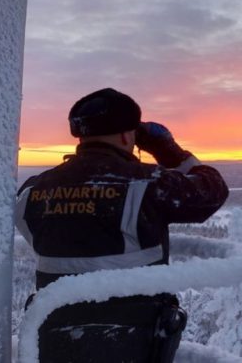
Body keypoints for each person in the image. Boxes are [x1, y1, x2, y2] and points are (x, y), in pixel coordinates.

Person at [14, 87, 229, 362]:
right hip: (135, 339)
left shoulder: (33, 190)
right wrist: (172, 154)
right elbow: (213, 190)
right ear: (129, 135)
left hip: (55, 336)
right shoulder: (145, 183)